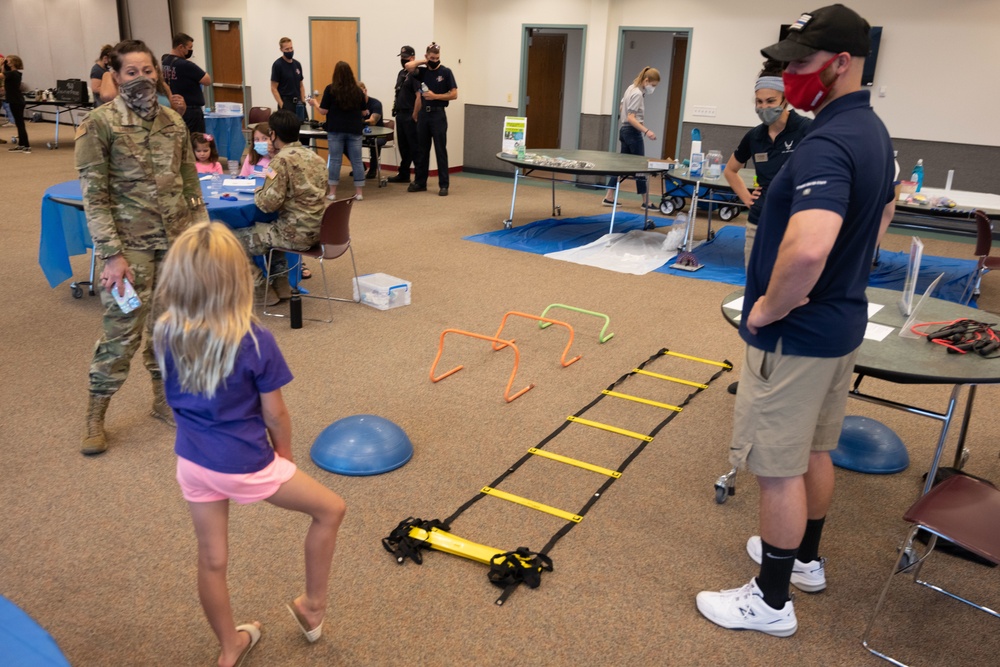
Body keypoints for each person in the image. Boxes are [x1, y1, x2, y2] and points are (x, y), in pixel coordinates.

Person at [695, 4, 896, 637]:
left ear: (841, 63)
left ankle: (772, 601)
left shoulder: (829, 141)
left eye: (802, 63)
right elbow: (886, 208)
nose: (790, 77)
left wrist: (767, 308)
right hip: (840, 328)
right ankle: (804, 561)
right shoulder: (871, 130)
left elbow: (809, 247)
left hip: (797, 336)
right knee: (814, 448)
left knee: (777, 468)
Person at [153, 221, 347, 667]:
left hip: (192, 462)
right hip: (244, 463)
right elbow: (275, 413)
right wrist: (285, 458)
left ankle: (229, 646)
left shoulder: (165, 329)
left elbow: (174, 392)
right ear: (237, 279)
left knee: (212, 559)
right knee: (330, 509)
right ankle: (312, 606)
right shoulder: (254, 338)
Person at [75, 39, 208, 456]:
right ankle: (96, 413)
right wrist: (111, 256)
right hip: (127, 251)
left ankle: (162, 400)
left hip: (173, 245)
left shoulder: (172, 121)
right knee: (122, 331)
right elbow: (94, 197)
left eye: (147, 71)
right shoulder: (98, 125)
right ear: (114, 76)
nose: (141, 79)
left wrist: (200, 239)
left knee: (169, 329)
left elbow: (190, 184)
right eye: (131, 72)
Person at [723, 61, 812, 395]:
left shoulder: (806, 130)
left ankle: (786, 374)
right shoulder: (755, 137)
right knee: (756, 298)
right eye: (759, 102)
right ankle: (754, 373)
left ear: (785, 100)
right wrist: (747, 196)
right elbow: (732, 170)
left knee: (792, 296)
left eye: (770, 102)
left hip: (795, 226)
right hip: (758, 224)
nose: (764, 108)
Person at [233, 109, 326, 306]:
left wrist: (259, 191)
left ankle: (259, 287)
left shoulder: (281, 161)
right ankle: (281, 284)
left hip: (293, 234)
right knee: (271, 227)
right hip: (319, 231)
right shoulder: (316, 158)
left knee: (231, 240)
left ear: (273, 134)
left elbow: (268, 204)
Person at [602, 66, 660, 210]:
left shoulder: (630, 88)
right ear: (646, 80)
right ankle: (646, 201)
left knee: (622, 166)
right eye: (653, 85)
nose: (653, 88)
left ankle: (609, 196)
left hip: (624, 130)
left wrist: (636, 121)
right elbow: (631, 117)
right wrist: (646, 131)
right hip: (632, 132)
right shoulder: (638, 94)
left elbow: (622, 108)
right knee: (640, 166)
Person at [405, 42, 458, 196]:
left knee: (440, 150)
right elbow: (408, 66)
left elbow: (454, 94)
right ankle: (421, 182)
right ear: (427, 56)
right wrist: (424, 62)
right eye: (432, 57)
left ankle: (444, 185)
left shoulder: (446, 72)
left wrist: (436, 96)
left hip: (438, 114)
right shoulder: (421, 72)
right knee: (422, 150)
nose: (435, 60)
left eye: (437, 57)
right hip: (424, 115)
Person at [308, 61, 366, 201]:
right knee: (357, 161)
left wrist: (315, 103)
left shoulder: (330, 89)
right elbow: (364, 112)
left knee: (334, 160)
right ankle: (359, 193)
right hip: (354, 130)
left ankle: (333, 192)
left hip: (335, 130)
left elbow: (323, 111)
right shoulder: (358, 91)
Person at [161, 32, 211, 134]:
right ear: (181, 47)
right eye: (189, 47)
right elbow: (207, 80)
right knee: (194, 139)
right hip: (191, 110)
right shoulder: (186, 65)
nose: (190, 51)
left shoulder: (165, 62)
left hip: (173, 107)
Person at [388, 45, 419, 184]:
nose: (403, 60)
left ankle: (419, 176)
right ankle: (404, 173)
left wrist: (415, 115)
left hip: (410, 114)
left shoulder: (415, 74)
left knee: (414, 147)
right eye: (402, 57)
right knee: (403, 146)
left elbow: (419, 96)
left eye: (406, 58)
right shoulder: (401, 73)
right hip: (400, 114)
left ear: (413, 58)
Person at [359, 81, 387, 180]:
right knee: (345, 142)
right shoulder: (355, 104)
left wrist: (359, 121)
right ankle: (359, 166)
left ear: (365, 91)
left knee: (375, 141)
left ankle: (373, 168)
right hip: (360, 134)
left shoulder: (375, 103)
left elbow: (373, 121)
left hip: (377, 135)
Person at [271, 37, 306, 113]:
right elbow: (274, 88)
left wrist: (303, 101)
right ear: (281, 49)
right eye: (287, 49)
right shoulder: (278, 65)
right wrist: (282, 105)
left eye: (291, 48)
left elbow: (301, 85)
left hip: (299, 103)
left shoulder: (297, 64)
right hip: (286, 102)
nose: (290, 51)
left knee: (303, 124)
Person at [3, 55, 29, 153]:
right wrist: (3, 65)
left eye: (8, 61)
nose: (7, 63)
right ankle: (22, 144)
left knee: (20, 124)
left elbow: (2, 75)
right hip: (16, 100)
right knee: (19, 124)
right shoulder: (14, 73)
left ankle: (26, 145)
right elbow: (4, 72)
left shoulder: (13, 74)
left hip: (16, 101)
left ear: (13, 62)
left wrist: (1, 64)